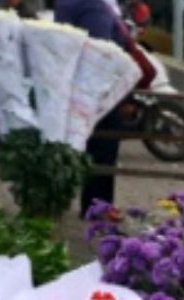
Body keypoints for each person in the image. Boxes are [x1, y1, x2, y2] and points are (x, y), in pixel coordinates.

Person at [55, 0, 151, 215]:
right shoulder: (93, 6)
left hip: (79, 86)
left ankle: (95, 206)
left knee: (94, 146)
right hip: (100, 89)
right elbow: (101, 50)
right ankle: (98, 208)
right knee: (103, 147)